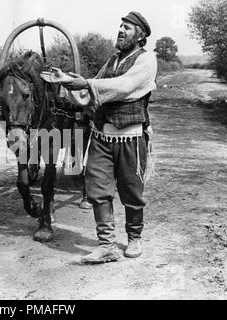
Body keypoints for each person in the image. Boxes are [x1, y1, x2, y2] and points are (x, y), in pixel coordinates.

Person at [56, 11, 157, 263]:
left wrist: (84, 83)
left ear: (140, 35)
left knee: (132, 193)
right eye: (120, 26)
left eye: (128, 28)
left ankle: (134, 237)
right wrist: (66, 83)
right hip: (101, 136)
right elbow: (91, 91)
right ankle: (107, 245)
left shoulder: (147, 60)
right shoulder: (112, 61)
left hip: (130, 138)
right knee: (97, 190)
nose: (121, 30)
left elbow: (123, 87)